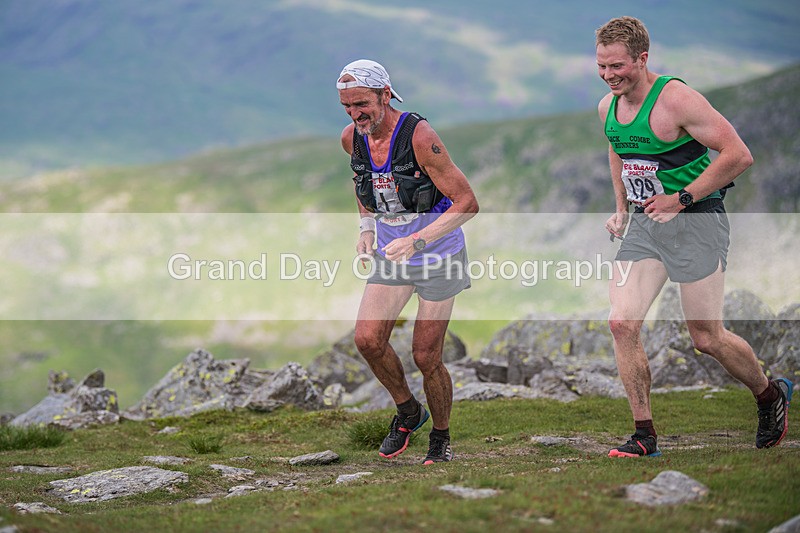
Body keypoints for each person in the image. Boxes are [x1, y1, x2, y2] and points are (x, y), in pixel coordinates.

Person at [595, 16, 792, 457]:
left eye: (618, 66)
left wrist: (680, 199)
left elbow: (739, 155)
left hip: (696, 219)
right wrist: (623, 208)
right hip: (647, 225)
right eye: (602, 66)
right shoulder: (608, 106)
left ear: (642, 59)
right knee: (621, 322)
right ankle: (644, 435)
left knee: (706, 337)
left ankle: (768, 394)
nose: (609, 76)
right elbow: (617, 146)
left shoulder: (677, 100)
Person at [336, 59, 478, 464]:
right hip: (392, 253)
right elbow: (363, 182)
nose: (355, 114)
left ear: (385, 95)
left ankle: (441, 435)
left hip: (438, 254)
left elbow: (468, 203)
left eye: (362, 103)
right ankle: (409, 412)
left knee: (425, 355)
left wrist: (417, 240)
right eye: (347, 106)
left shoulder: (419, 136)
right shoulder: (353, 138)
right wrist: (366, 228)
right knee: (367, 339)